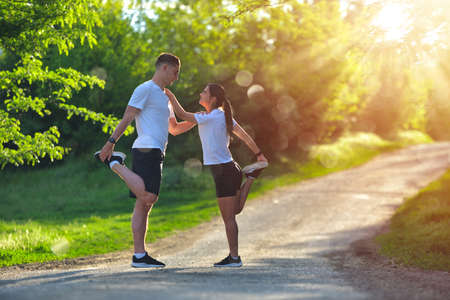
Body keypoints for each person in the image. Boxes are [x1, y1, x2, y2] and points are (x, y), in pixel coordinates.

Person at [94, 53, 196, 268]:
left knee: (144, 205)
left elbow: (174, 128)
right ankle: (115, 164)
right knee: (148, 196)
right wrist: (110, 143)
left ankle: (139, 256)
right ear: (165, 68)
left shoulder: (165, 97)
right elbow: (128, 117)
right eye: (175, 72)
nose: (176, 78)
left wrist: (200, 121)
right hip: (146, 148)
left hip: (157, 150)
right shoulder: (145, 89)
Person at [165, 84, 268, 267]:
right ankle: (251, 176)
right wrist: (258, 153)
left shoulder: (211, 117)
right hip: (230, 169)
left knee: (229, 217)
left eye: (204, 91)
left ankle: (234, 258)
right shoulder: (220, 115)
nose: (200, 93)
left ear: (212, 98)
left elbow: (182, 115)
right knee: (234, 211)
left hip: (223, 171)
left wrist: (170, 95)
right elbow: (244, 136)